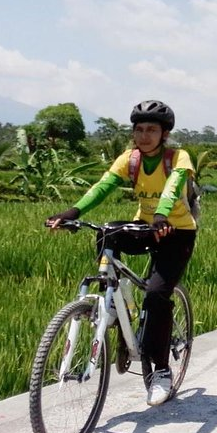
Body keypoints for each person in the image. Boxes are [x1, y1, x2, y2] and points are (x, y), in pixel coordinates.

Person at [46, 100, 197, 406]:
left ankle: (161, 371)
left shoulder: (178, 158)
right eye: (139, 129)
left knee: (156, 295)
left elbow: (173, 185)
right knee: (106, 233)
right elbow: (103, 186)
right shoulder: (130, 159)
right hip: (146, 225)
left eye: (151, 130)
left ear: (164, 133)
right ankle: (115, 304)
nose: (144, 135)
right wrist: (71, 212)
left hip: (176, 231)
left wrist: (162, 215)